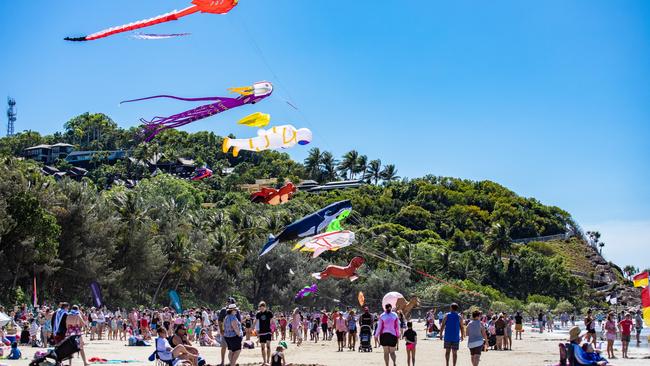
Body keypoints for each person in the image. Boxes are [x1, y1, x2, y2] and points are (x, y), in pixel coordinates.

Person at [254, 301, 274, 366]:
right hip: (261, 332)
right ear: (259, 307)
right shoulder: (258, 314)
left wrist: (273, 329)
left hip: (268, 331)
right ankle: (264, 361)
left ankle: (268, 360)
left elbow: (272, 321)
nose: (261, 309)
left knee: (268, 347)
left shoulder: (269, 313)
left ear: (265, 307)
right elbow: (255, 321)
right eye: (260, 307)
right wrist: (252, 327)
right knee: (262, 348)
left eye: (263, 307)